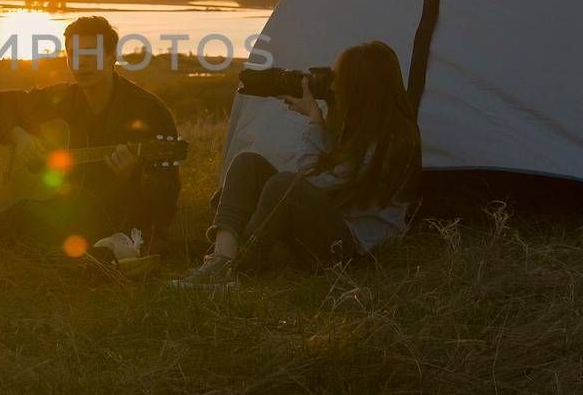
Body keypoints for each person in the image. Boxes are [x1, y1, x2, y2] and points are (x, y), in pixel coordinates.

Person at [172, 40, 421, 289]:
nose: (332, 85)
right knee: (248, 164)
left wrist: (314, 121)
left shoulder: (389, 140)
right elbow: (331, 169)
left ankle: (240, 266)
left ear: (359, 87)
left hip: (353, 249)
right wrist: (325, 119)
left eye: (338, 78)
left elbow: (313, 177)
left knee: (285, 186)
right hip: (331, 224)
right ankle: (220, 261)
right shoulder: (362, 124)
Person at [0, 15, 180, 255]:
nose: (79, 63)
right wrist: (20, 138)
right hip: (65, 208)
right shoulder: (62, 98)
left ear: (111, 57)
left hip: (114, 215)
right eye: (72, 54)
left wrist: (132, 176)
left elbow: (167, 191)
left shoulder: (148, 110)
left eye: (89, 54)